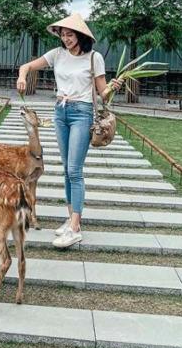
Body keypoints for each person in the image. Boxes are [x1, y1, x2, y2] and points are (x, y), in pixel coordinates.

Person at [16, 13, 123, 248]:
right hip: (60, 112)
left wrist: (113, 87)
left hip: (82, 112)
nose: (66, 38)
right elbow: (27, 66)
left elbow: (102, 92)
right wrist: (22, 76)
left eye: (70, 35)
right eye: (63, 35)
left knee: (75, 170)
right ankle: (71, 219)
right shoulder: (57, 55)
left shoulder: (94, 58)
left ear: (80, 36)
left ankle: (75, 228)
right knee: (66, 169)